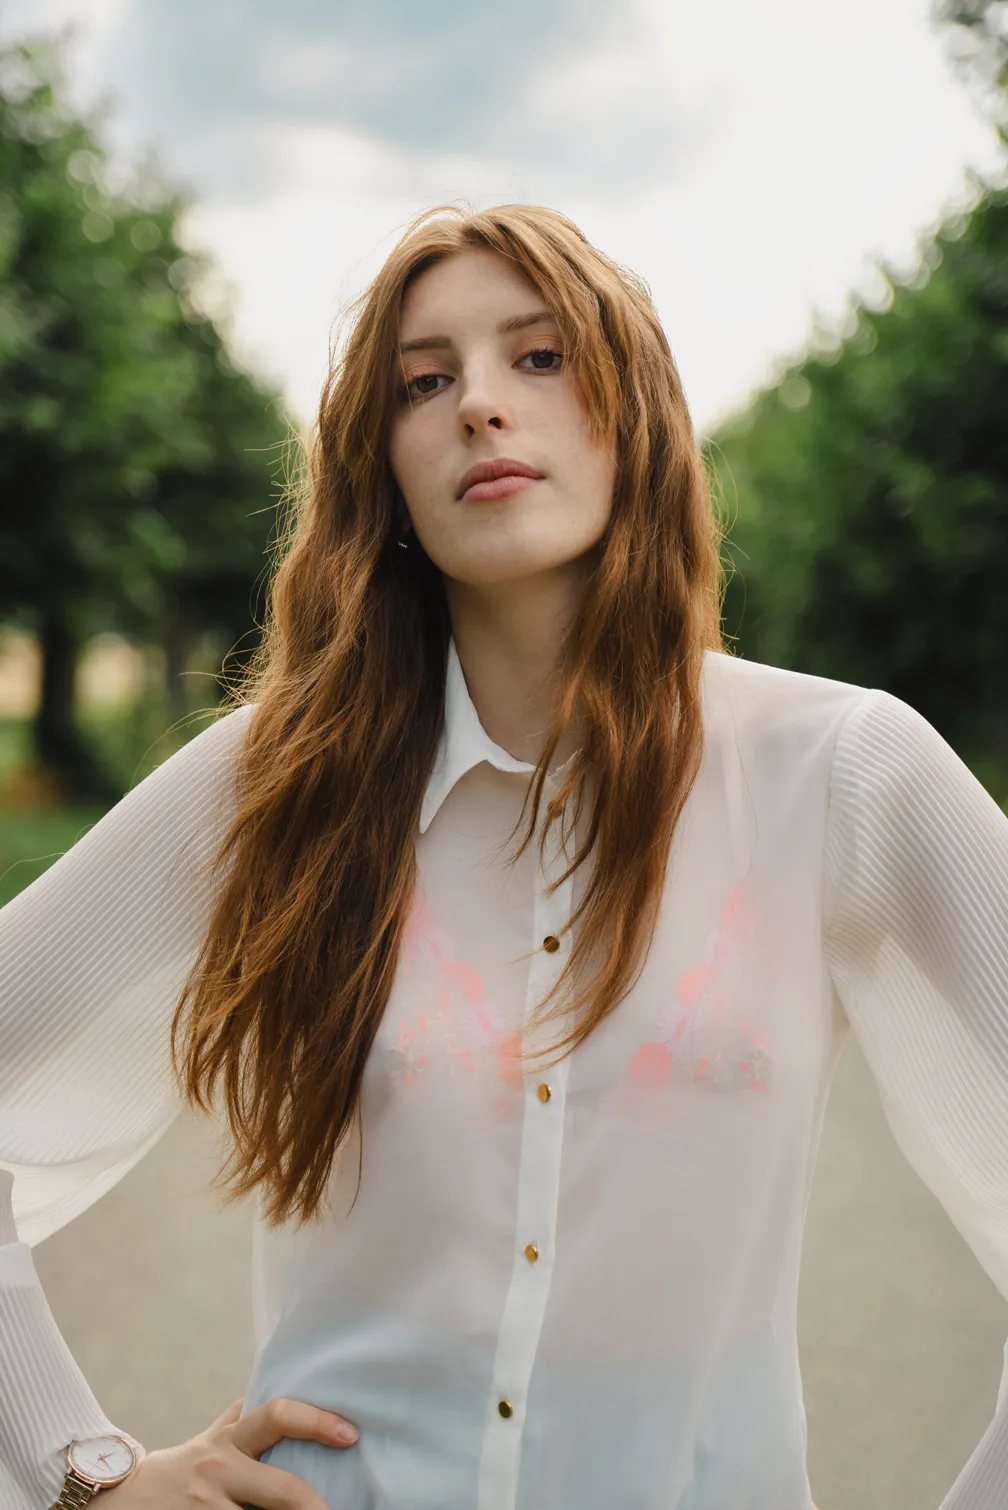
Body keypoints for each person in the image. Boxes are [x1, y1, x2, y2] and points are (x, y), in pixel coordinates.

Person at [0, 202, 1005, 1510]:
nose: (480, 404)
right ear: (387, 465)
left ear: (633, 411)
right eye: (425, 381)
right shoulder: (274, 780)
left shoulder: (849, 772)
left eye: (538, 357)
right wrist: (79, 1464)